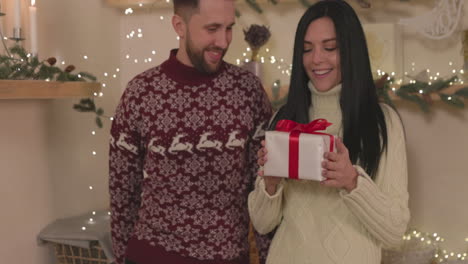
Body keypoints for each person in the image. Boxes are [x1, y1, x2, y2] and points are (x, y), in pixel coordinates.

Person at [109, 0, 273, 263]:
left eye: (229, 28)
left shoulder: (248, 91)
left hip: (228, 256)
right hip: (152, 255)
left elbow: (265, 189)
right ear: (179, 26)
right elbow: (122, 193)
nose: (223, 41)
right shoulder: (141, 93)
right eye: (212, 28)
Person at [248, 0, 410, 263]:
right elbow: (263, 224)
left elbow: (394, 232)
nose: (316, 59)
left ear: (350, 50)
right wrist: (270, 182)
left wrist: (352, 181)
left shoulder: (383, 122)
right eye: (307, 49)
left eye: (330, 48)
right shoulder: (284, 118)